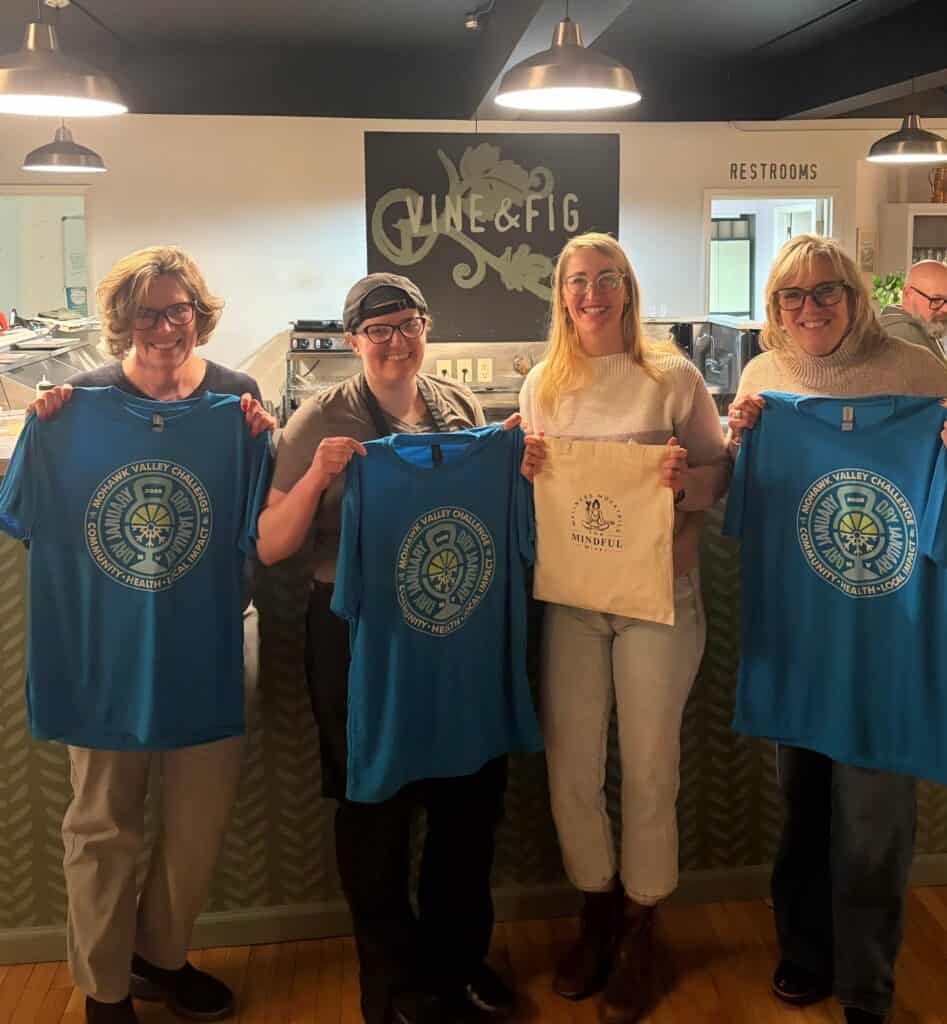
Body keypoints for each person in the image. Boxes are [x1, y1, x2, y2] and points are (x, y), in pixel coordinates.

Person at [256, 272, 527, 1024]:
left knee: (467, 798)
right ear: (353, 342)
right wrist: (318, 474)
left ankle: (458, 962)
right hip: (357, 634)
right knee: (373, 805)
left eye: (407, 325)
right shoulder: (320, 418)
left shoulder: (458, 406)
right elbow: (273, 543)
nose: (395, 342)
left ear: (426, 328)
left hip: (450, 626)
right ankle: (396, 982)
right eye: (377, 330)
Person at [27, 245, 274, 1024]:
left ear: (199, 315)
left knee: (199, 819)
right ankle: (104, 992)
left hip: (212, 635)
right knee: (102, 821)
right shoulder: (78, 404)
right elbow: (39, 519)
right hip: (108, 640)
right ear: (122, 321)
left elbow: (263, 522)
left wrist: (266, 440)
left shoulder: (239, 399)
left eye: (179, 311)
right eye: (148, 313)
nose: (166, 326)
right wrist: (44, 429)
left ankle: (159, 958)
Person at [727, 235, 947, 1024]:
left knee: (872, 829)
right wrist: (738, 436)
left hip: (889, 642)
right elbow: (741, 491)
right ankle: (805, 951)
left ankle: (866, 988)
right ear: (775, 308)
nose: (810, 308)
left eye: (826, 292)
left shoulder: (921, 377)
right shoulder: (761, 378)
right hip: (802, 636)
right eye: (793, 296)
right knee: (805, 815)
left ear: (855, 296)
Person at [518, 232, 729, 1024]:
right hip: (573, 598)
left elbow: (720, 471)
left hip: (657, 598)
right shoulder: (544, 383)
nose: (592, 293)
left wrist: (686, 481)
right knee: (571, 767)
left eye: (606, 279)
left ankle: (642, 921)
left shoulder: (670, 378)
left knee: (647, 768)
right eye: (578, 281)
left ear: (627, 289)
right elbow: (534, 496)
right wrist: (528, 469)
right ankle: (595, 910)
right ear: (560, 295)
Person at [878, 259, 947, 362]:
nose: (945, 309)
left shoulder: (923, 327)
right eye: (936, 300)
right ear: (908, 295)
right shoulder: (902, 338)